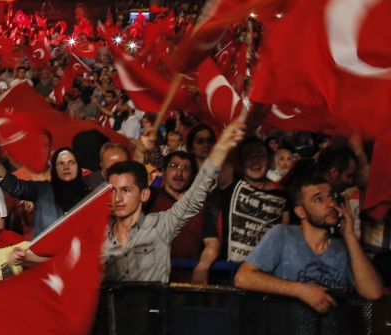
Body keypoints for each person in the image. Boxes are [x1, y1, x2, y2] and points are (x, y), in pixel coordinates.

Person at [103, 121, 244, 283]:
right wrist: (140, 152)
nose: (118, 198)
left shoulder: (161, 226)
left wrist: (219, 150)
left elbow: (195, 196)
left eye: (126, 191)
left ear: (144, 195)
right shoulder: (98, 237)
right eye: (113, 190)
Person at [235, 176, 383, 313]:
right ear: (300, 212)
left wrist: (350, 237)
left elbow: (373, 293)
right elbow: (243, 278)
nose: (331, 203)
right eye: (318, 199)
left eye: (331, 196)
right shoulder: (283, 235)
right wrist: (301, 290)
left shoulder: (344, 247)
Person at [208, 138, 291, 263]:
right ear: (240, 162)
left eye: (261, 154)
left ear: (269, 162)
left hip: (263, 273)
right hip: (228, 271)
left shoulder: (282, 194)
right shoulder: (231, 182)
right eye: (248, 155)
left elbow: (284, 234)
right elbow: (223, 158)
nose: (255, 160)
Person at [146, 151, 220, 284]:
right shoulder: (150, 197)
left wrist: (202, 267)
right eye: (174, 166)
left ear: (192, 175)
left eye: (185, 169)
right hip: (152, 282)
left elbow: (212, 242)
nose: (179, 173)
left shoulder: (200, 205)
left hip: (187, 285)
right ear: (164, 170)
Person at [49, 148, 91, 214]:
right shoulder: (46, 196)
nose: (66, 167)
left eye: (71, 162)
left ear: (78, 166)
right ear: (54, 168)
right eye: (60, 163)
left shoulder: (91, 196)